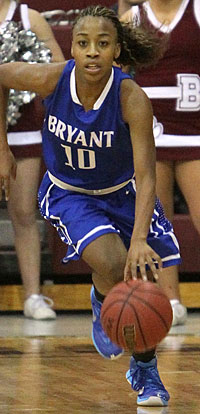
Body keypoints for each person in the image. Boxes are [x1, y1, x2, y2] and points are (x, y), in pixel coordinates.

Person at [0, 6, 181, 407]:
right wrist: (2, 150)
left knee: (142, 277)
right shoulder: (52, 79)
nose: (92, 51)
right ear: (72, 48)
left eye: (103, 43)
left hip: (123, 194)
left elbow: (147, 176)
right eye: (83, 43)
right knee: (113, 264)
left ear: (117, 51)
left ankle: (143, 367)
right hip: (69, 193)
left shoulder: (131, 99)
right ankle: (110, 314)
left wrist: (142, 238)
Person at [0, 0, 65, 328]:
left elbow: (59, 67)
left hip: (24, 127)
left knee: (25, 212)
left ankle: (33, 295)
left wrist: (26, 76)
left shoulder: (30, 17)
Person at [119, 0, 200, 326]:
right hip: (147, 136)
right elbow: (116, 74)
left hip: (194, 134)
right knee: (157, 223)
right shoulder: (132, 18)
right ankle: (170, 301)